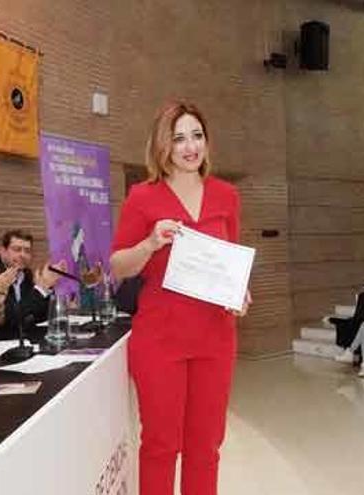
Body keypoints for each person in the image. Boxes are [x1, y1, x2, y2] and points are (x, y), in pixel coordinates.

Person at [110, 101, 250, 495]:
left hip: (215, 336)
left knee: (206, 446)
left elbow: (232, 262)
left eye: (197, 136)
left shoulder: (226, 195)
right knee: (160, 445)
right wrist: (151, 242)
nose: (190, 146)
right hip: (160, 338)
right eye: (179, 138)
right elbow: (119, 265)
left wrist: (240, 292)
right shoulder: (143, 196)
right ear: (163, 145)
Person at [0, 230, 65, 340]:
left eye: (27, 251)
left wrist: (48, 286)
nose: (22, 255)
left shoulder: (24, 273)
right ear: (2, 251)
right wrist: (41, 289)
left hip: (20, 336)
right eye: (17, 250)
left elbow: (35, 315)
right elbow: (10, 318)